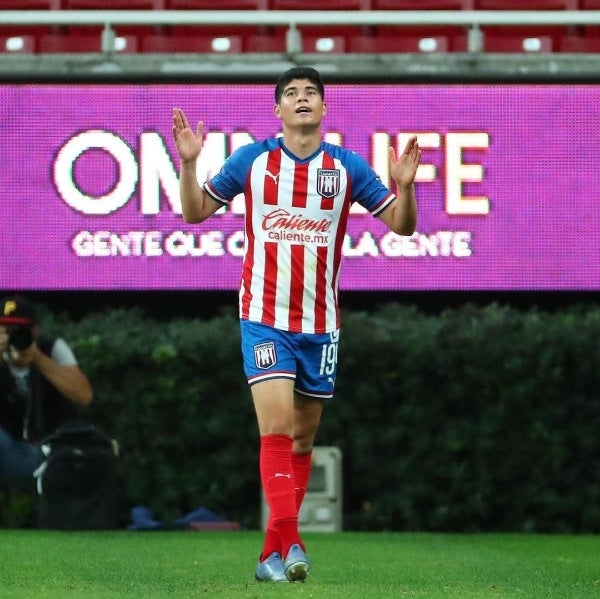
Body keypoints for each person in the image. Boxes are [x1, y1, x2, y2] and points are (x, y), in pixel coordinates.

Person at [172, 66, 420, 583]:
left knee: (303, 439)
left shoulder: (348, 167)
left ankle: (270, 555)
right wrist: (189, 165)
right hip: (263, 316)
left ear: (324, 109)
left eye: (311, 93)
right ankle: (295, 542)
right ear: (277, 110)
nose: (302, 99)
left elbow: (401, 225)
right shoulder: (252, 161)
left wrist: (404, 187)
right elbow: (194, 213)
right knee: (277, 427)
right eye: (292, 93)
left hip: (321, 322)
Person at [0, 295, 93, 489]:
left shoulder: (52, 348)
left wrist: (39, 359)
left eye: (19, 329)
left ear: (35, 330)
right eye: (5, 329)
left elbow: (84, 396)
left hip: (51, 451)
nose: (12, 335)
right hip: (9, 449)